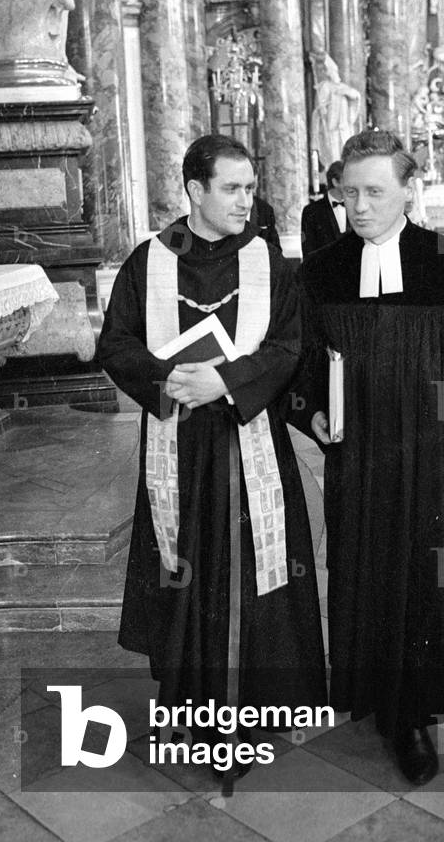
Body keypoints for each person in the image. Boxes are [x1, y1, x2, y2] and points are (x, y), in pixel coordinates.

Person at [293, 130, 444, 786]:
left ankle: (418, 717)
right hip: (361, 463)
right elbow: (304, 362)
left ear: (409, 190)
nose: (359, 206)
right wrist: (310, 411)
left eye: (374, 192)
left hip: (438, 463)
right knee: (366, 576)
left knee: (432, 589)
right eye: (349, 193)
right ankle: (377, 700)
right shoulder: (322, 268)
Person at [96, 134, 327, 775]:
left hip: (251, 443)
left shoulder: (273, 264)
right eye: (231, 188)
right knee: (188, 570)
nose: (244, 200)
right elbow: (115, 345)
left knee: (259, 572)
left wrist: (225, 381)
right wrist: (169, 380)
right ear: (194, 191)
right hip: (181, 447)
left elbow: (289, 347)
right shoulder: (148, 263)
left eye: (249, 188)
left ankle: (262, 710)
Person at [309, 53, 361, 173]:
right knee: (333, 158)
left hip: (343, 129)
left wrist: (342, 93)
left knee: (347, 157)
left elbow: (355, 96)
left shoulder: (342, 87)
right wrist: (322, 109)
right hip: (331, 130)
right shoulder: (324, 87)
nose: (332, 73)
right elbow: (319, 109)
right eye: (329, 71)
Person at [301, 160, 349, 259]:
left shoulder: (355, 207)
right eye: (348, 180)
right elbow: (308, 252)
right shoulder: (311, 212)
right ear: (335, 182)